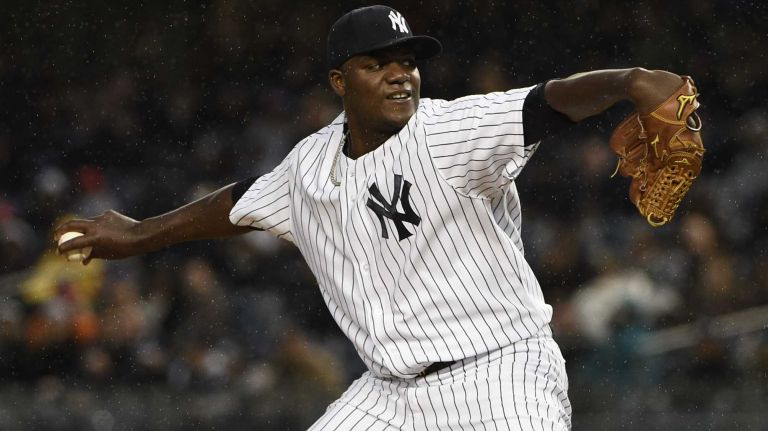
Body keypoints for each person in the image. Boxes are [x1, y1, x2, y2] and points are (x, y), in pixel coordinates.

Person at [56, 5, 691, 430]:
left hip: (500, 374)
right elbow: (237, 204)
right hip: (388, 394)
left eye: (408, 61)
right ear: (339, 80)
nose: (400, 75)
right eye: (377, 63)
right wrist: (139, 234)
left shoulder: (448, 130)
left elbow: (545, 104)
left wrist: (628, 81)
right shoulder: (308, 167)